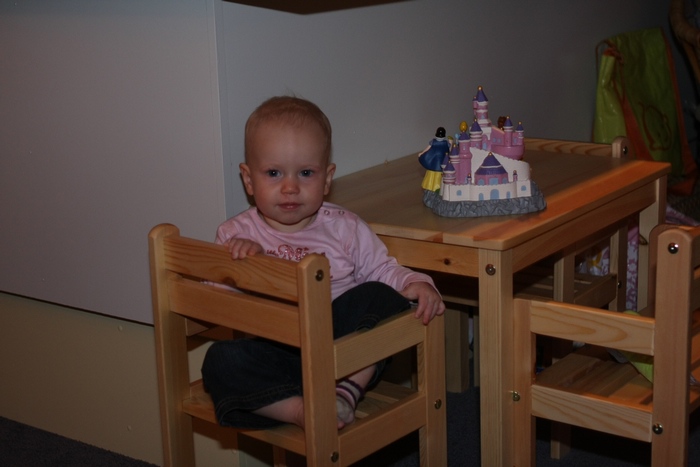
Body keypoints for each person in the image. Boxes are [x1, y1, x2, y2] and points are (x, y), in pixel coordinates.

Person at [201, 96, 445, 431]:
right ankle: (302, 412)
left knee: (379, 294)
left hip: (341, 349)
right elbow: (214, 301)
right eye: (273, 173)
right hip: (274, 352)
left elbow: (382, 269)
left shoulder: (345, 227)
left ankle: (345, 391)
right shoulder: (236, 235)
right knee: (220, 360)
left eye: (306, 173)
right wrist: (245, 268)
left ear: (327, 179)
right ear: (248, 179)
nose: (290, 187)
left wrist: (415, 283)